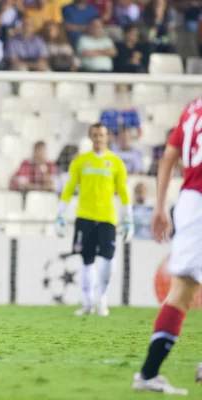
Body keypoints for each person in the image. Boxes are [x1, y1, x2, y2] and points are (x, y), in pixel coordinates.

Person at [131, 96, 202, 395]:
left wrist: (160, 206)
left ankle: (148, 375)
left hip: (189, 202)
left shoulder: (192, 108)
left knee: (181, 290)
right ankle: (148, 374)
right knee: (182, 291)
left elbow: (169, 156)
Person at [55, 123, 133, 317]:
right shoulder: (81, 162)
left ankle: (101, 298)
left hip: (107, 218)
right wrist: (60, 213)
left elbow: (123, 192)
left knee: (108, 258)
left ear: (107, 137)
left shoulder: (116, 163)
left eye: (102, 135)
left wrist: (128, 219)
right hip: (85, 217)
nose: (98, 138)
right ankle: (87, 302)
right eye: (95, 135)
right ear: (91, 137)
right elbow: (69, 188)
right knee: (86, 260)